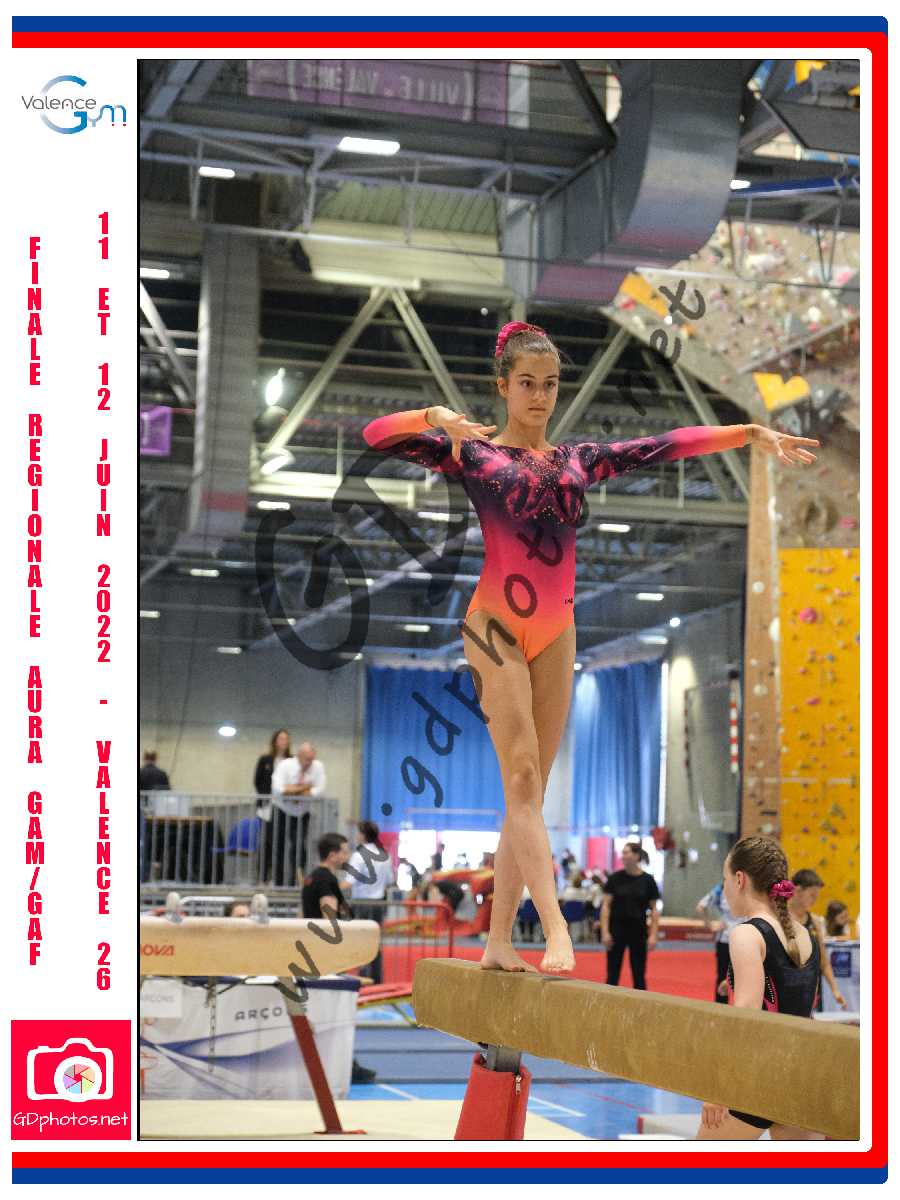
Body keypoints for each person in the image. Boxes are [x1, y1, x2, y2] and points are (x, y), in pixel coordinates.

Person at [363, 322, 818, 975]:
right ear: (503, 386)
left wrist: (747, 433)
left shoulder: (579, 459)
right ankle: (554, 929)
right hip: (494, 623)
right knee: (523, 776)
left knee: (528, 792)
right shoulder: (472, 452)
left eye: (550, 385)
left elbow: (664, 444)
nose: (540, 396)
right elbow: (375, 435)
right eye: (527, 383)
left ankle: (497, 942)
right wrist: (433, 417)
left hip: (558, 629)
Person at [697, 836, 824, 1140]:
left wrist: (719, 1087)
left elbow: (746, 1015)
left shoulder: (746, 933)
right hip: (800, 1076)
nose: (725, 889)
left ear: (739, 879)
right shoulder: (806, 935)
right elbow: (793, 994)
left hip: (757, 1076)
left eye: (725, 879)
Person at [301, 832, 375, 1085]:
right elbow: (329, 920)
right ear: (333, 855)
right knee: (333, 1013)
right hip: (324, 956)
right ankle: (344, 1065)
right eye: (344, 851)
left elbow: (303, 915)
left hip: (312, 950)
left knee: (322, 1011)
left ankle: (340, 1063)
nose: (348, 856)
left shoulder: (311, 877)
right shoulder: (327, 879)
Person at [598, 843, 660, 989]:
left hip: (638, 929)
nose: (623, 856)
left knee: (639, 974)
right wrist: (605, 932)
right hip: (616, 929)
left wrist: (653, 935)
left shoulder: (648, 880)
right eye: (623, 853)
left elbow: (654, 910)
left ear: (637, 856)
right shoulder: (614, 878)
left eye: (627, 853)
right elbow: (606, 906)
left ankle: (641, 1000)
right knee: (612, 973)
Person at [789, 869, 847, 1010]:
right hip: (786, 988)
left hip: (810, 991)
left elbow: (824, 962)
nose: (815, 900)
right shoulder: (779, 918)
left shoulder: (814, 922)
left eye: (817, 896)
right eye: (812, 895)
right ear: (797, 890)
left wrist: (835, 990)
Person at [270, 741, 327, 887]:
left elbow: (319, 791)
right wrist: (304, 787)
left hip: (302, 813)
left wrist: (292, 790)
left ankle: (297, 881)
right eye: (307, 759)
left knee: (299, 847)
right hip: (282, 811)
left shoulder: (318, 766)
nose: (309, 763)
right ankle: (279, 883)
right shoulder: (285, 765)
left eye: (311, 759)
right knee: (279, 847)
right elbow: (278, 789)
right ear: (299, 755)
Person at [347, 821, 394, 985]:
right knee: (375, 942)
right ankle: (376, 978)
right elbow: (390, 880)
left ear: (363, 835)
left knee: (361, 941)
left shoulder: (358, 855)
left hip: (361, 903)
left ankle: (364, 977)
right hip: (378, 904)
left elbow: (349, 881)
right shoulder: (384, 854)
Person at [696, 879, 741, 1004]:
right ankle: (727, 1008)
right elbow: (700, 907)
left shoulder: (722, 889)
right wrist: (710, 925)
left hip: (735, 940)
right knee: (728, 977)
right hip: (730, 940)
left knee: (729, 977)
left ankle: (727, 1008)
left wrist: (709, 924)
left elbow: (700, 907)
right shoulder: (720, 890)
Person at [254, 729, 291, 799]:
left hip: (286, 800)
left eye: (286, 739)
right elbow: (257, 781)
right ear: (275, 742)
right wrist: (265, 796)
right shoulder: (264, 759)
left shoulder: (292, 760)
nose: (284, 742)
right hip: (267, 799)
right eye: (281, 739)